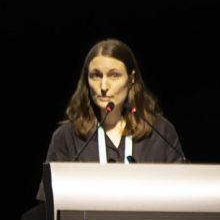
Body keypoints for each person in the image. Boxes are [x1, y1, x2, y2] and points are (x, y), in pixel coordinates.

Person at [41, 39, 185, 181]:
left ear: (131, 78)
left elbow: (182, 187)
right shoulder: (66, 136)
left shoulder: (161, 132)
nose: (103, 86)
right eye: (96, 75)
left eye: (114, 75)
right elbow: (51, 194)